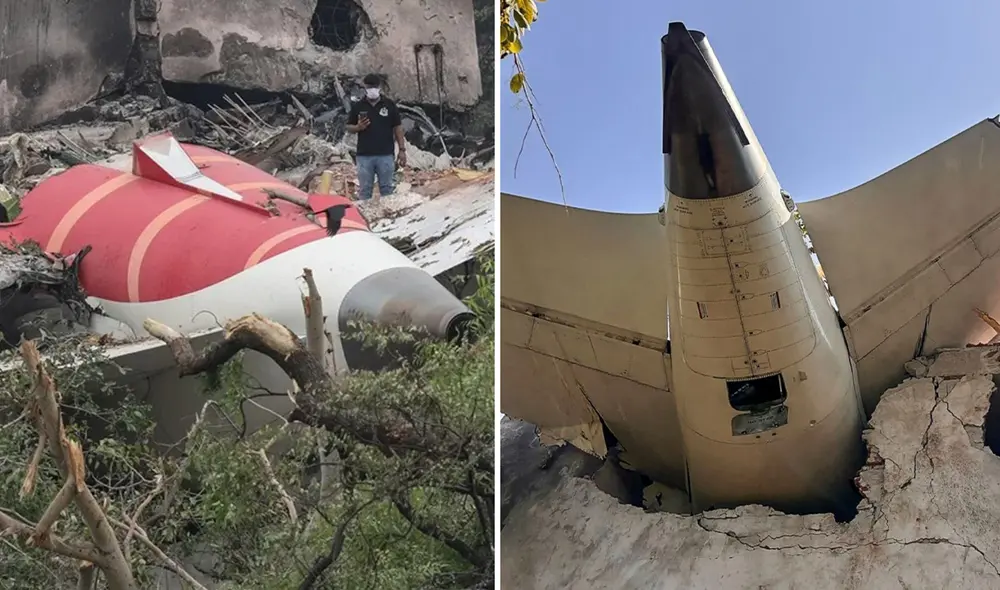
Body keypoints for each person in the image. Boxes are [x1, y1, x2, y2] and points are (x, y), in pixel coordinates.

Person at [346, 74, 407, 200]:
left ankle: (389, 217)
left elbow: (398, 128)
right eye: (369, 87)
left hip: (385, 155)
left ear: (379, 87)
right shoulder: (358, 106)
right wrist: (358, 127)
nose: (372, 90)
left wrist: (402, 150)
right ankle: (365, 217)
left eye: (374, 86)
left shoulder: (389, 105)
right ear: (365, 88)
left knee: (387, 190)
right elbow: (348, 127)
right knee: (365, 191)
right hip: (364, 156)